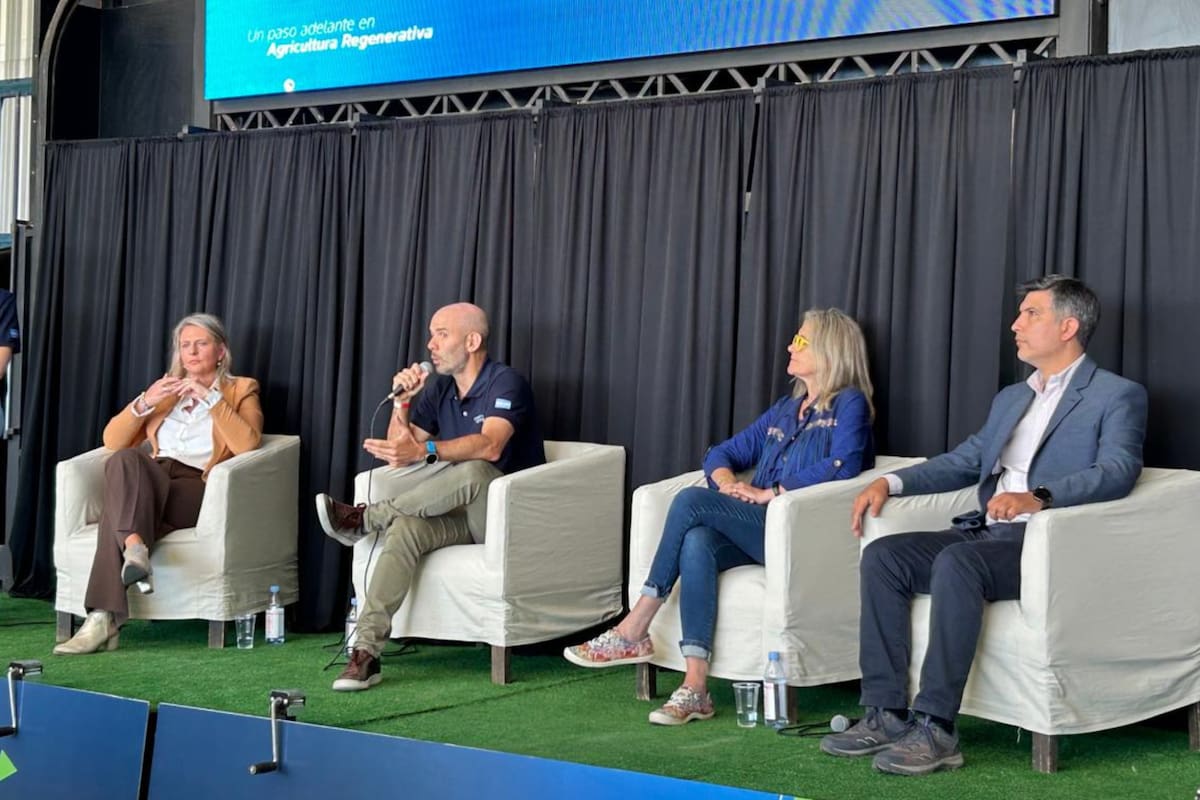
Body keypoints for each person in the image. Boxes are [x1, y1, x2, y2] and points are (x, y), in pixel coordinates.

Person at [820, 275, 1147, 775]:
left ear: (1068, 326)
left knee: (958, 560)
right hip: (984, 534)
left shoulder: (1116, 395)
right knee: (885, 556)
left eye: (1031, 314)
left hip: (1045, 543)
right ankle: (885, 712)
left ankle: (937, 728)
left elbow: (1118, 470)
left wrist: (1038, 498)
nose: (1016, 325)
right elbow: (966, 459)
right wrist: (892, 483)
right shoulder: (1012, 398)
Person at [564, 308, 876, 725]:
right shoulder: (786, 409)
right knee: (698, 542)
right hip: (757, 528)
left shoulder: (849, 403)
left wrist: (772, 492)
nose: (790, 346)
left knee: (692, 502)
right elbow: (721, 453)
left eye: (800, 341)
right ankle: (695, 688)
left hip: (800, 533)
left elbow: (845, 463)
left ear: (830, 350)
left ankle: (634, 627)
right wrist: (728, 482)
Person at [316, 302, 545, 692]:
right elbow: (396, 451)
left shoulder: (505, 382)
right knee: (405, 528)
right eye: (431, 334)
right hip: (461, 517)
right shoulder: (440, 389)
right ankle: (367, 652)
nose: (430, 344)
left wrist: (427, 452)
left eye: (442, 334)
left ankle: (366, 518)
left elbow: (490, 446)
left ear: (472, 341)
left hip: (508, 519)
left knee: (474, 469)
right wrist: (403, 401)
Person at [54, 313, 263, 655]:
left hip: (197, 484)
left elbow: (247, 444)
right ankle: (133, 549)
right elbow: (113, 439)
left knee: (115, 513)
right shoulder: (166, 390)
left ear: (221, 351)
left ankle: (104, 616)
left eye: (201, 344)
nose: (191, 353)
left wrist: (210, 399)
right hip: (153, 476)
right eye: (185, 346)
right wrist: (144, 402)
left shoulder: (241, 389)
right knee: (124, 460)